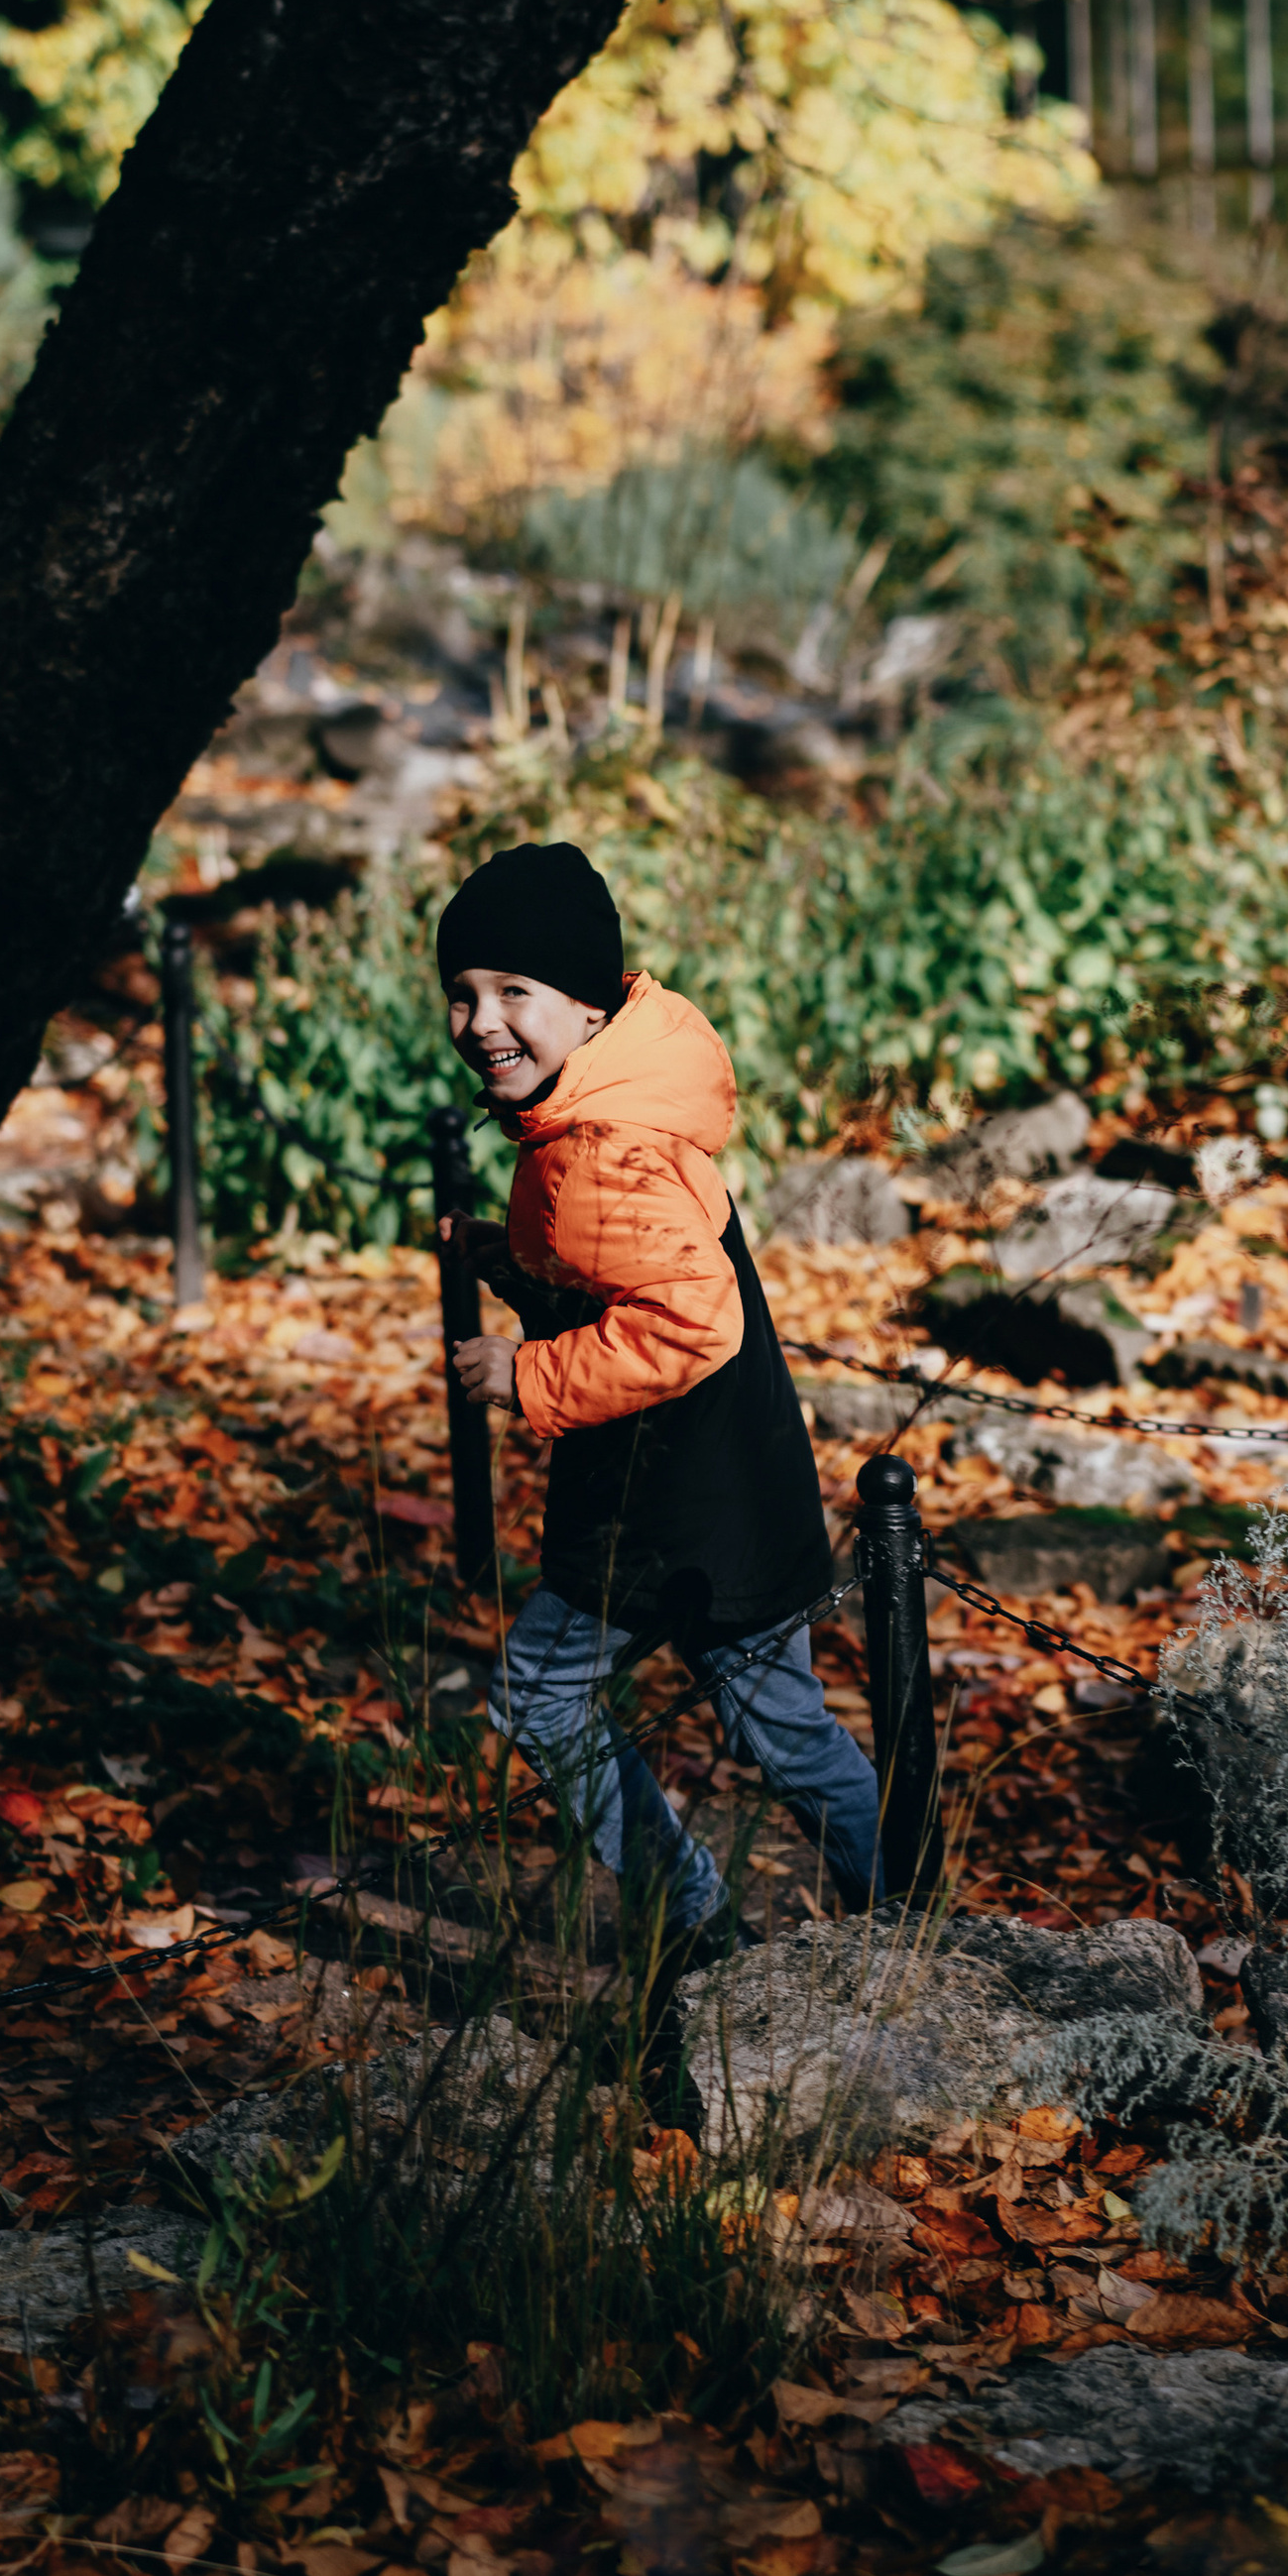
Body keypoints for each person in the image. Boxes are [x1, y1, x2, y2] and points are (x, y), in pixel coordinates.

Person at [436, 840, 885, 2112]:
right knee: (776, 1724)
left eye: (515, 991)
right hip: (716, 1484)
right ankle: (899, 1906)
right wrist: (510, 1261)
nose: (483, 1023)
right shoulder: (613, 1100)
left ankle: (712, 1917)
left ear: (584, 1003)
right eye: (463, 994)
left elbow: (689, 1324)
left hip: (675, 1506)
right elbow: (618, 1272)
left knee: (547, 1700)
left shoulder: (600, 1146)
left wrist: (523, 1376)